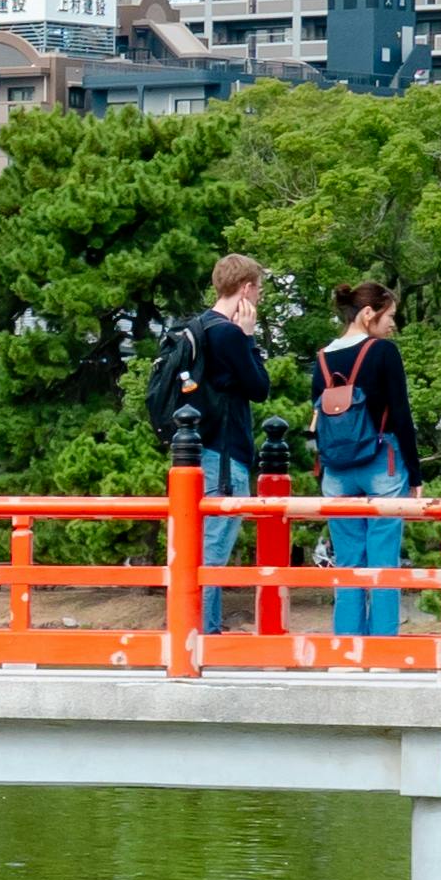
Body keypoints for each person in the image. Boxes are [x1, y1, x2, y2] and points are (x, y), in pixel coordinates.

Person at [313, 279, 418, 640]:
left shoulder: (323, 358)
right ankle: (383, 650)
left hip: (337, 472)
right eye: (390, 316)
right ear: (369, 313)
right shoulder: (383, 352)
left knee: (348, 562)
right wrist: (416, 476)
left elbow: (319, 423)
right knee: (384, 561)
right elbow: (401, 415)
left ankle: (347, 648)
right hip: (382, 463)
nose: (393, 325)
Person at [179, 252, 272, 636]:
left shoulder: (196, 328)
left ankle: (201, 628)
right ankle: (201, 633)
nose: (261, 297)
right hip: (224, 455)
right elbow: (259, 388)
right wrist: (249, 339)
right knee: (213, 550)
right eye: (260, 289)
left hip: (192, 453)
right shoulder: (229, 334)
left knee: (195, 544)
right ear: (246, 288)